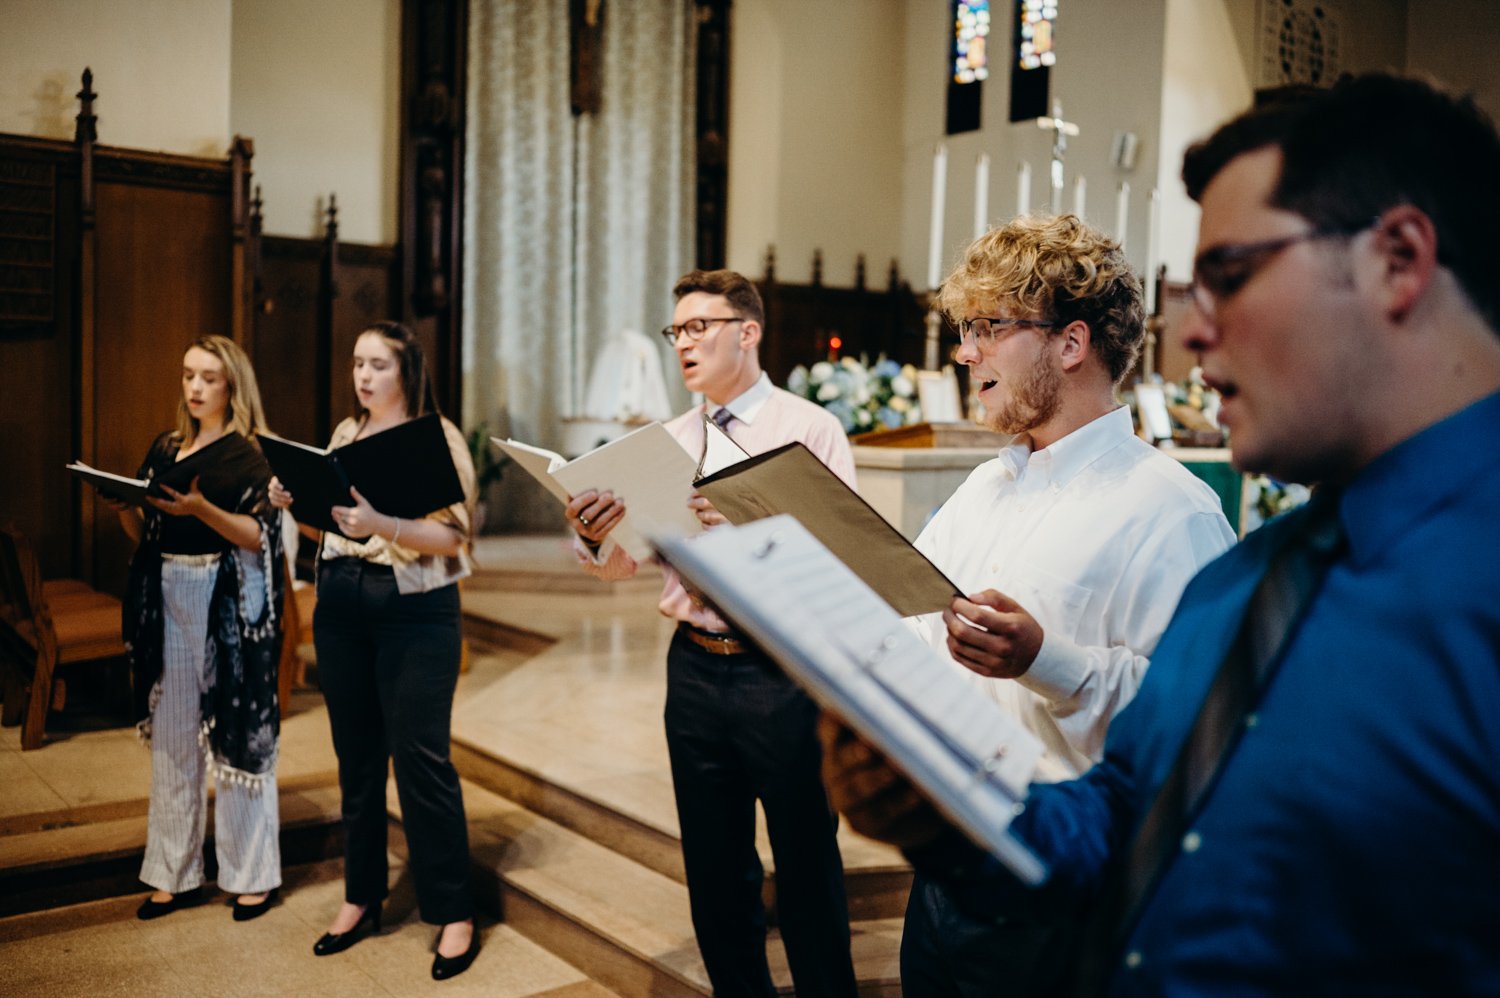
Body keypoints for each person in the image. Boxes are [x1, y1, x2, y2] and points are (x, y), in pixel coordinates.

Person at [821, 73, 1500, 995]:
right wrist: (946, 818)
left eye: (1228, 277)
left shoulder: (1198, 519)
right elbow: (1126, 811)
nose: (1197, 332)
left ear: (1398, 259)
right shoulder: (1258, 575)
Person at [899, 215, 1235, 997]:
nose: (964, 352)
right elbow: (914, 627)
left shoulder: (1172, 511)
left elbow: (1200, 729)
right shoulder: (986, 485)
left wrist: (1046, 663)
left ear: (1071, 342)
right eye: (963, 329)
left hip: (1070, 896)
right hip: (948, 869)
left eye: (986, 328)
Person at [569, 269, 860, 997]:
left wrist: (754, 528)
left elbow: (850, 561)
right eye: (677, 331)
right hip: (694, 667)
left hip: (783, 672)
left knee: (805, 862)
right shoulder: (668, 439)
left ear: (748, 331)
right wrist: (596, 536)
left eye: (699, 327)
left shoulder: (808, 429)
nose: (683, 344)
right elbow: (620, 568)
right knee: (714, 865)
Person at [269, 321, 481, 981]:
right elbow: (332, 524)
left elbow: (456, 538)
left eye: (377, 365)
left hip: (415, 610)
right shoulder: (344, 433)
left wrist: (385, 524)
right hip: (342, 605)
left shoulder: (437, 436)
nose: (362, 376)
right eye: (357, 362)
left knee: (421, 762)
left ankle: (455, 911)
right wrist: (293, 504)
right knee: (357, 761)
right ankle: (362, 896)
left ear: (406, 371)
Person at [113, 334, 285, 922]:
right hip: (167, 594)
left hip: (225, 602)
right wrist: (128, 510)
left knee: (236, 738)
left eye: (208, 378)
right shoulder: (166, 446)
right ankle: (173, 872)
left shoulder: (250, 455)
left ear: (231, 386)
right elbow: (149, 533)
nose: (194, 387)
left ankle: (251, 875)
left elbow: (262, 537)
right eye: (188, 375)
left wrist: (201, 511)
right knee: (173, 733)